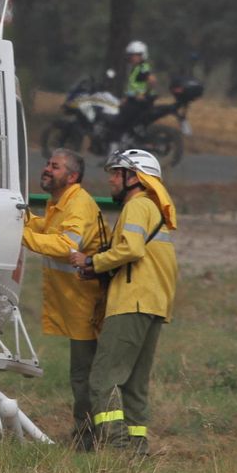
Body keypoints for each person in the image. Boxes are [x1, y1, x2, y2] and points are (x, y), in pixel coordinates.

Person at [68, 147, 178, 455]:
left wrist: (92, 261)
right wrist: (100, 268)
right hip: (153, 306)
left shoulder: (137, 206)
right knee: (134, 385)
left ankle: (116, 448)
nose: (112, 180)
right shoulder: (152, 210)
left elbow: (131, 250)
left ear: (135, 178)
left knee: (102, 379)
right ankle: (137, 449)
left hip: (132, 303)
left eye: (117, 173)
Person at [20, 148, 107, 448]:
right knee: (82, 375)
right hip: (75, 303)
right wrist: (18, 216)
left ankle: (89, 437)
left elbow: (66, 245)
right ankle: (90, 434)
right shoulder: (60, 202)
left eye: (54, 167)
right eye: (47, 164)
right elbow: (45, 228)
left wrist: (22, 236)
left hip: (87, 304)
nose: (47, 169)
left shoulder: (79, 205)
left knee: (84, 376)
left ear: (72, 176)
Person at [113, 40, 158, 142]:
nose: (132, 57)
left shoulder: (142, 67)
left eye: (136, 55)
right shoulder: (135, 68)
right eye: (131, 55)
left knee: (118, 122)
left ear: (142, 55)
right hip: (133, 101)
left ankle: (114, 149)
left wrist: (144, 94)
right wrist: (125, 98)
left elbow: (152, 80)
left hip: (140, 103)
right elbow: (133, 87)